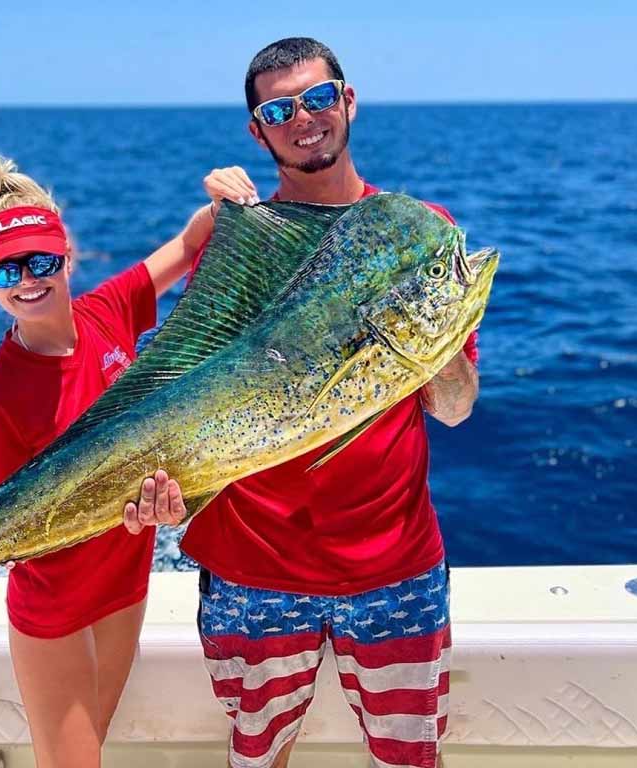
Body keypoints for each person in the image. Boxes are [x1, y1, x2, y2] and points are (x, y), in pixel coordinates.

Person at [125, 37, 479, 768]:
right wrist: (172, 496)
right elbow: (186, 384)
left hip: (395, 565)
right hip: (251, 571)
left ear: (348, 100)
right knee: (257, 756)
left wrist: (422, 338)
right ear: (258, 132)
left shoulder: (419, 229)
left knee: (412, 758)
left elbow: (455, 408)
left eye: (319, 98)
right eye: (279, 109)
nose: (304, 118)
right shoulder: (245, 240)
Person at [0, 155, 245, 768]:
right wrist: (122, 510)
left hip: (125, 586)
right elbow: (20, 533)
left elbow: (193, 244)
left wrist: (223, 194)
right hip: (55, 611)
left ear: (66, 254)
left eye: (41, 261)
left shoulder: (108, 312)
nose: (28, 280)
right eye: (7, 270)